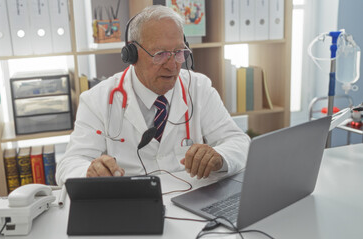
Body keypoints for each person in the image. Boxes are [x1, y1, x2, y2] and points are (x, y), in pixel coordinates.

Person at [56, 5, 250, 185]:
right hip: (131, 204)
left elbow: (240, 142)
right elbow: (70, 163)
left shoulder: (199, 88)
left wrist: (219, 157)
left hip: (191, 201)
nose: (173, 64)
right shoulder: (97, 99)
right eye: (161, 54)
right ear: (131, 54)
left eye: (179, 52)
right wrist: (89, 172)